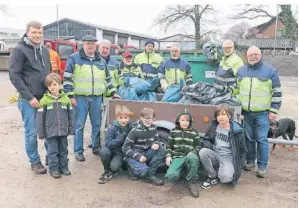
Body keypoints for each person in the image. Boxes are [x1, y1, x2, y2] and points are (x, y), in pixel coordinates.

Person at [63, 35, 120, 162]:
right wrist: (70, 95)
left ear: (96, 46)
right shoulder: (74, 58)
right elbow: (67, 78)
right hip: (80, 98)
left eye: (93, 44)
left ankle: (96, 147)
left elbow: (108, 79)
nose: (90, 46)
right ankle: (78, 151)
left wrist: (112, 92)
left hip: (96, 98)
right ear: (83, 45)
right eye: (88, 43)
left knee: (97, 124)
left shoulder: (101, 60)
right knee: (79, 125)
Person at [232, 46, 282, 178]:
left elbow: (277, 92)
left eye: (256, 54)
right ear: (246, 56)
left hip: (262, 113)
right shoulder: (241, 71)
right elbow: (236, 89)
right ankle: (250, 161)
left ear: (261, 55)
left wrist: (274, 110)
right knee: (248, 138)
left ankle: (262, 166)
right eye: (250, 55)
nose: (253, 57)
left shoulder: (270, 71)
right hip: (246, 112)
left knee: (261, 139)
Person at [9, 20, 51, 174]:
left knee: (49, 130)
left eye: (40, 32)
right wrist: (29, 97)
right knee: (32, 132)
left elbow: (49, 75)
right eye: (34, 32)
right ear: (27, 33)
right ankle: (35, 161)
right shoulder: (19, 50)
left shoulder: (44, 51)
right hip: (29, 100)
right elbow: (14, 76)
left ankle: (51, 157)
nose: (37, 35)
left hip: (46, 98)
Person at [199, 105, 247, 189]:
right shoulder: (213, 126)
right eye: (218, 115)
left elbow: (243, 150)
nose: (220, 117)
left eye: (223, 114)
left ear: (229, 116)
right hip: (215, 154)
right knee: (203, 152)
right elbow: (206, 139)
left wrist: (240, 166)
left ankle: (221, 171)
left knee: (226, 179)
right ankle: (212, 176)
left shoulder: (237, 131)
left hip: (228, 158)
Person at [36, 73, 73, 178]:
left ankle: (64, 167)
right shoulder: (44, 100)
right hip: (50, 132)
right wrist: (41, 133)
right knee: (52, 152)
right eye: (49, 85)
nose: (52, 87)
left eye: (55, 84)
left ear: (60, 85)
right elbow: (40, 118)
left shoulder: (66, 99)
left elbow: (71, 116)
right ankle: (54, 169)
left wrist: (71, 129)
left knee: (63, 150)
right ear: (47, 87)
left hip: (63, 131)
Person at [122, 108, 165, 186]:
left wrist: (156, 143)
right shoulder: (134, 131)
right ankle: (131, 168)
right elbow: (125, 148)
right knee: (143, 172)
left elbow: (157, 139)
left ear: (154, 119)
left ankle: (150, 175)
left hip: (146, 153)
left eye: (150, 118)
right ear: (141, 118)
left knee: (161, 148)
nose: (148, 120)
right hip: (135, 155)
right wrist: (138, 157)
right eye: (145, 118)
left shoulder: (153, 128)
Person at [165, 110, 201, 198]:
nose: (185, 122)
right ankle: (182, 172)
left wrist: (193, 152)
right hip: (177, 157)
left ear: (190, 122)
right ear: (178, 121)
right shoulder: (173, 131)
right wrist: (168, 156)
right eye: (183, 120)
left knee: (194, 159)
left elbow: (198, 146)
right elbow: (169, 145)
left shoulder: (194, 132)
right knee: (171, 177)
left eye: (187, 121)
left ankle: (190, 181)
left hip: (189, 156)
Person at [98, 105, 135, 184]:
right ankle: (107, 170)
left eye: (125, 118)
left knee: (114, 167)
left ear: (129, 118)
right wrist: (119, 139)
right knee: (103, 151)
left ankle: (117, 168)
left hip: (120, 153)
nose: (123, 120)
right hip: (111, 151)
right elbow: (107, 143)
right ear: (117, 118)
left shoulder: (131, 127)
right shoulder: (113, 128)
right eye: (121, 118)